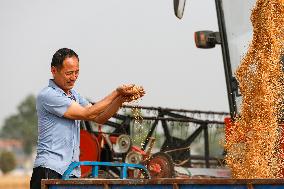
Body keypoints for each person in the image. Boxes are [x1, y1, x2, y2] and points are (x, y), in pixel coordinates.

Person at [30, 48, 145, 189]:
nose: (73, 77)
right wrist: (116, 92)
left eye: (76, 72)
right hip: (49, 170)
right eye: (69, 73)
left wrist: (120, 99)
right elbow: (88, 113)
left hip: (71, 170)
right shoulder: (48, 95)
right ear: (54, 71)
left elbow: (99, 118)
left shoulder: (74, 95)